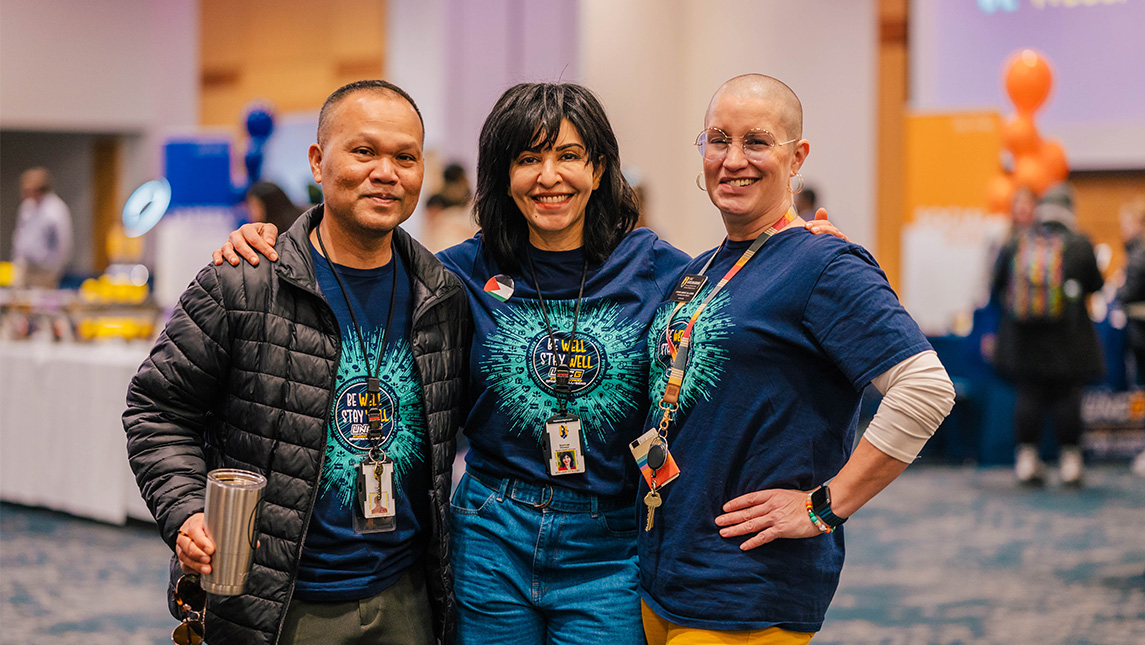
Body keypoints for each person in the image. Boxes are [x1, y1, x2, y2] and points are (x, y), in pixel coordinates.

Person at [213, 81, 846, 643]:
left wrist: (791, 244)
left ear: (599, 170)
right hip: (492, 532)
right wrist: (270, 239)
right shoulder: (455, 273)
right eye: (528, 159)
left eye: (569, 156)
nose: (550, 176)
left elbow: (740, 296)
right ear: (501, 175)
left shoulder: (661, 271)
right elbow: (355, 253)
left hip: (610, 540)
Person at [125, 80, 470, 645]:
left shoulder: (443, 296)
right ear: (317, 160)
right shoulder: (242, 281)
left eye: (405, 157)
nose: (386, 171)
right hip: (279, 602)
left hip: (405, 598)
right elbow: (156, 409)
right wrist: (188, 511)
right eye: (364, 152)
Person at [637, 74, 955, 643]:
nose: (733, 159)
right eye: (718, 140)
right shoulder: (702, 269)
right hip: (666, 574)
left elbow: (925, 388)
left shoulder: (824, 264)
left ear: (796, 156)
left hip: (748, 588)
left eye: (756, 141)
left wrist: (825, 507)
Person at [991, 183, 1104, 487]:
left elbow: (997, 285)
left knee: (1029, 395)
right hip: (1070, 340)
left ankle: (1026, 461)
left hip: (1025, 340)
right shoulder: (1080, 244)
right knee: (1068, 397)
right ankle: (1070, 463)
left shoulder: (1018, 242)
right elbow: (1097, 285)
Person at [11, 167, 73, 288]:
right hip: (25, 266)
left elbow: (64, 242)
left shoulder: (55, 210)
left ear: (40, 189)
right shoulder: (27, 207)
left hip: (45, 270)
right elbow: (20, 235)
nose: (24, 193)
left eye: (28, 190)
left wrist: (55, 268)